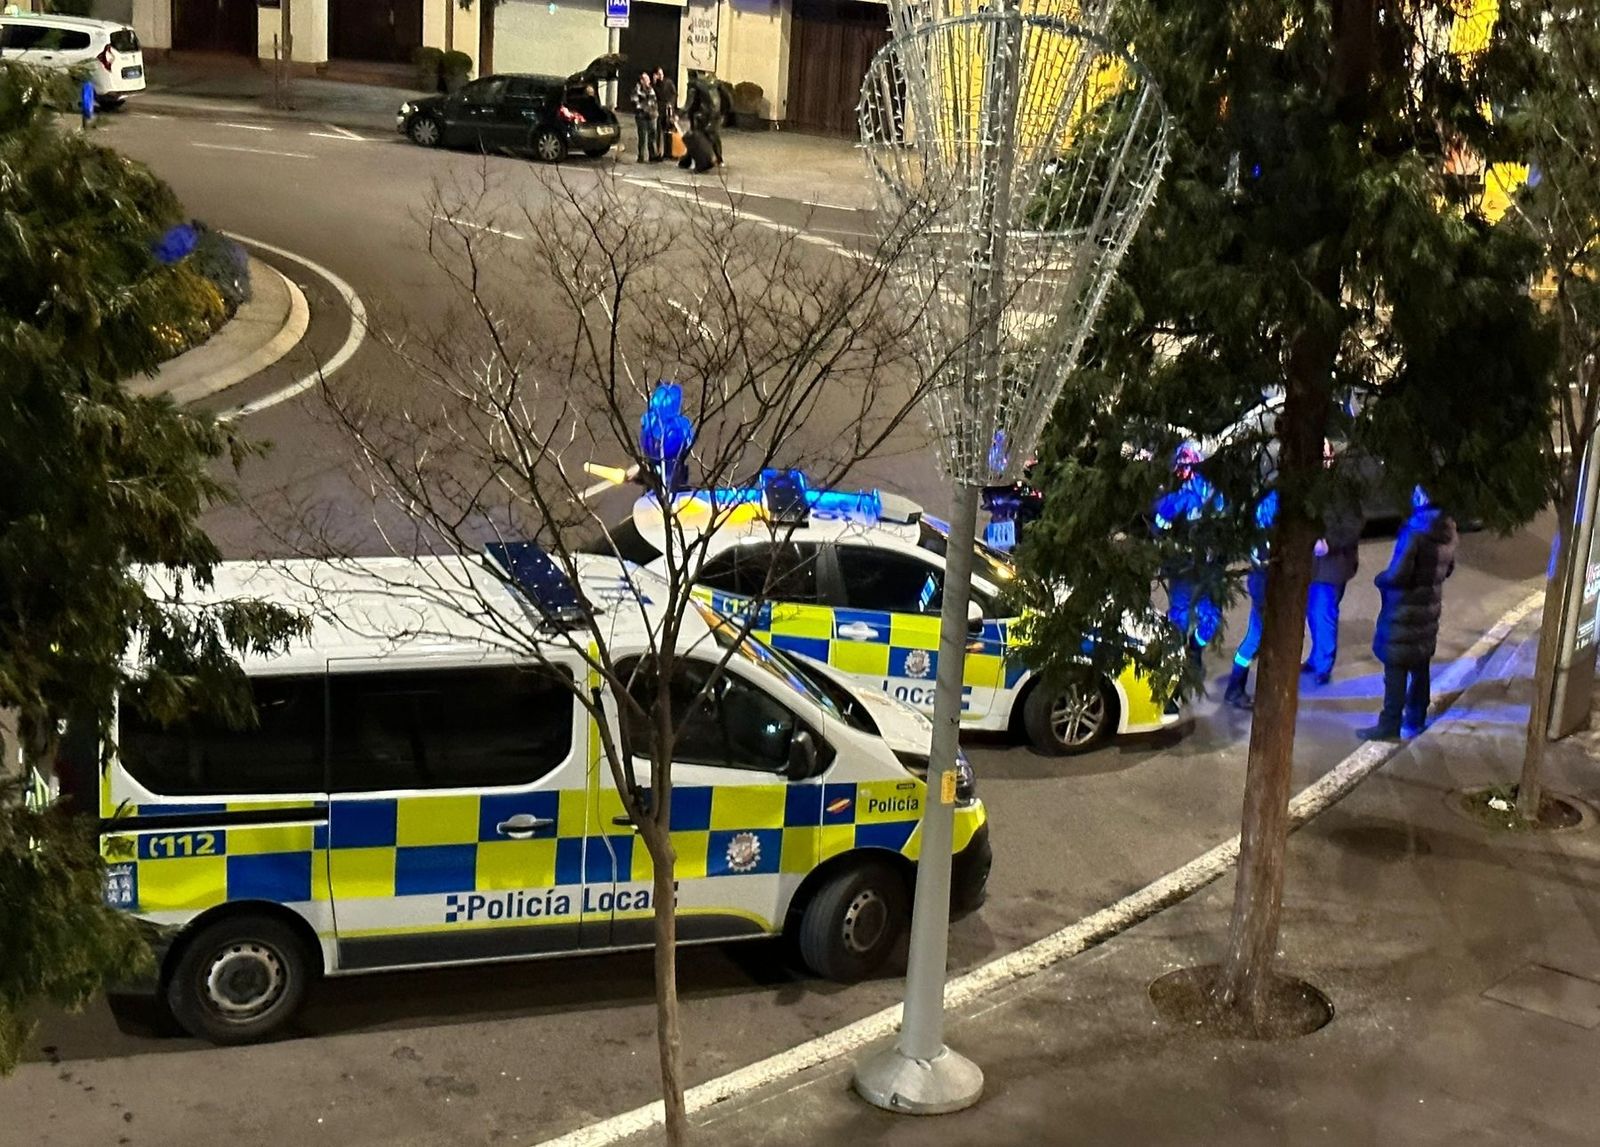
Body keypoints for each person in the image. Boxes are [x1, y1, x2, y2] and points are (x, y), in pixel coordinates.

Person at [1359, 486, 1457, 741]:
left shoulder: (1415, 533)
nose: (1412, 496)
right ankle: (1416, 716)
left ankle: (1389, 724)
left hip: (1404, 610)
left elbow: (1398, 574)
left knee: (1396, 666)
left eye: (1416, 492)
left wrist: (1381, 579)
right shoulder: (1447, 531)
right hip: (1428, 609)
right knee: (1420, 663)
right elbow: (1447, 570)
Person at [1153, 441, 1225, 671]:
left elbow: (1224, 523)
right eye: (1182, 467)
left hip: (1208, 566)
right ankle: (1174, 660)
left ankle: (1194, 650)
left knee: (1211, 617)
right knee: (1179, 616)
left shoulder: (1213, 492)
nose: (1185, 473)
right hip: (1181, 566)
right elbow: (1159, 527)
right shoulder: (1172, 494)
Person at [1304, 440, 1363, 685]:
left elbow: (1353, 524)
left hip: (1331, 565)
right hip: (1315, 566)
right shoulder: (1310, 485)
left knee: (1323, 614)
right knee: (1314, 614)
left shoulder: (1341, 489)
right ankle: (1317, 659)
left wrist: (1329, 542)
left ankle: (1323, 666)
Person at [1225, 488, 1277, 710]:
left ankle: (1237, 688)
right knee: (1255, 640)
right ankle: (1235, 689)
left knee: (1256, 639)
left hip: (1262, 583)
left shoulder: (1268, 501)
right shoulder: (1273, 507)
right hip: (1265, 585)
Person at [684, 74, 723, 167]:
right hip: (714, 115)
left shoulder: (694, 86)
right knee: (713, 137)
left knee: (695, 138)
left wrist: (681, 113)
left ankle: (691, 161)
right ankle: (719, 159)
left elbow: (690, 104)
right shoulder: (713, 87)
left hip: (703, 116)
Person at [652, 67, 677, 163]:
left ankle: (669, 152)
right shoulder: (655, 85)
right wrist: (654, 83)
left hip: (668, 110)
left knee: (669, 132)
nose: (660, 75)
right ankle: (659, 152)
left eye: (661, 73)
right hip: (659, 110)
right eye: (658, 74)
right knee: (658, 132)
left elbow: (674, 94)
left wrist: (671, 104)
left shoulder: (668, 82)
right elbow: (653, 95)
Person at [632, 73, 658, 163]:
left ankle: (653, 155)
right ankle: (641, 156)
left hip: (652, 116)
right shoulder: (637, 90)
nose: (649, 81)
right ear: (642, 81)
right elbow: (635, 103)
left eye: (648, 79)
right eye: (646, 79)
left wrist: (645, 106)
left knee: (652, 136)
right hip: (641, 117)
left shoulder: (651, 89)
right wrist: (645, 107)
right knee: (642, 137)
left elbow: (653, 101)